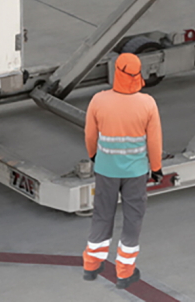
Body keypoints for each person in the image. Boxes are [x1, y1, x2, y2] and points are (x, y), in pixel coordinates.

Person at [83, 52, 163, 289]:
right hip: (135, 172)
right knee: (132, 219)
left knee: (102, 214)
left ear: (116, 72)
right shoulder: (147, 103)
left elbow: (90, 135)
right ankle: (124, 272)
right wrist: (156, 167)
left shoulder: (98, 100)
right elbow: (154, 141)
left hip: (106, 169)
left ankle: (91, 264)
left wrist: (94, 156)